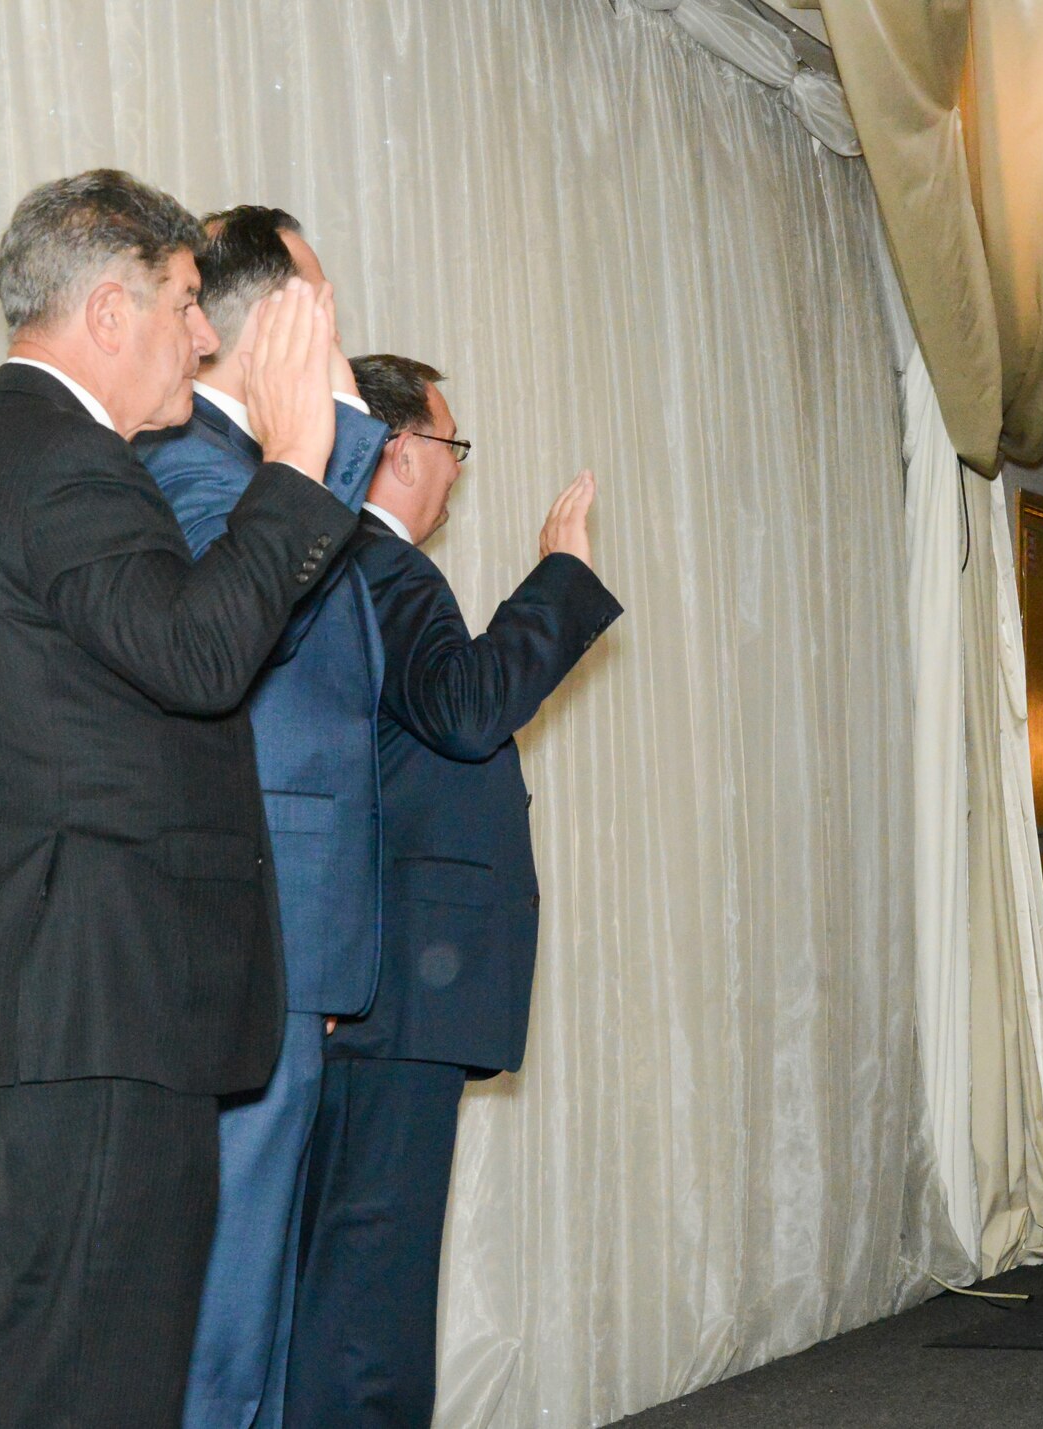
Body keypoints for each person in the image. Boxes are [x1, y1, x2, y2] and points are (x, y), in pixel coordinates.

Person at [0, 170, 348, 1429]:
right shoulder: (65, 465)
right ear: (109, 308)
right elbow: (200, 656)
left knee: (27, 1384)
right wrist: (297, 463)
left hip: (36, 1002)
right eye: (189, 301)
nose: (204, 338)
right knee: (90, 1394)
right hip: (94, 1003)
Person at [285, 355, 620, 1427]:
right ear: (398, 448)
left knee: (344, 1258)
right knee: (370, 1276)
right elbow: (467, 708)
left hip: (365, 972)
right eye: (451, 449)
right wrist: (558, 576)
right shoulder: (382, 569)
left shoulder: (336, 566)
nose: (456, 476)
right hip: (395, 978)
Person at [137, 205, 390, 1429]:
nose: (338, 321)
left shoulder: (245, 472)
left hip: (299, 929)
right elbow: (237, 651)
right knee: (231, 1282)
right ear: (266, 319)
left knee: (267, 1276)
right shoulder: (198, 469)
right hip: (257, 923)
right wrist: (330, 446)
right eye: (319, 297)